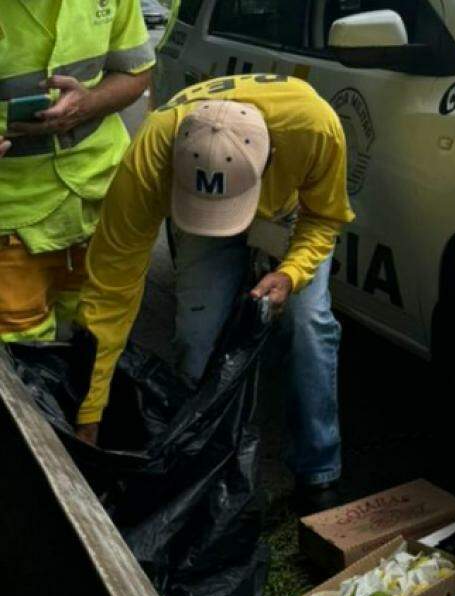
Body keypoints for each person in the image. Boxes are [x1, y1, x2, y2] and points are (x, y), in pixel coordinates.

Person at [75, 74, 355, 511]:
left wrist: (292, 273)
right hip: (200, 216)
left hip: (286, 213)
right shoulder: (153, 151)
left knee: (309, 326)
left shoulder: (315, 129)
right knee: (197, 335)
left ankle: (318, 472)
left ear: (271, 158)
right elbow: (112, 281)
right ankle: (201, 465)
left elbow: (324, 217)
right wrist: (88, 413)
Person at [0, 0, 154, 343]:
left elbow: (135, 70)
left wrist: (90, 103)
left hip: (101, 196)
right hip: (13, 218)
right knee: (20, 361)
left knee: (98, 342)